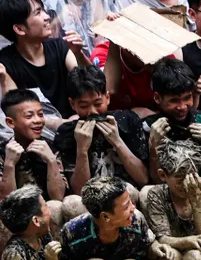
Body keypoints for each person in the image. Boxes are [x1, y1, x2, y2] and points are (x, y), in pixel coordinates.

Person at [54, 66, 150, 197]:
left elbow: (143, 179)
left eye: (98, 104)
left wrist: (117, 142)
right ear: (72, 104)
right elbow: (78, 191)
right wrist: (82, 149)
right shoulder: (67, 132)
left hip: (128, 194)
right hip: (92, 198)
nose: (92, 111)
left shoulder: (127, 120)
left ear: (108, 98)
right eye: (84, 106)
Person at [0, 0, 85, 118]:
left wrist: (79, 54)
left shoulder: (59, 46)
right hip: (38, 132)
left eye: (43, 10)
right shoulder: (5, 63)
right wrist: (61, 125)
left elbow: (87, 85)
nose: (47, 17)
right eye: (38, 13)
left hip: (76, 119)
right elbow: (17, 114)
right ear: (19, 29)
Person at [145, 58, 201, 183]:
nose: (182, 106)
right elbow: (155, 182)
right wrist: (153, 146)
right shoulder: (147, 127)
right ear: (157, 98)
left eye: (187, 98)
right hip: (165, 192)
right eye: (174, 100)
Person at [1, 90, 67, 203]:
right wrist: (9, 164)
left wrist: (51, 160)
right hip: (17, 212)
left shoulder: (50, 146)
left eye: (40, 114)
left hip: (49, 207)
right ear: (11, 122)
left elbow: (58, 197)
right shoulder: (2, 151)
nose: (37, 120)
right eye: (29, 116)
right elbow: (6, 202)